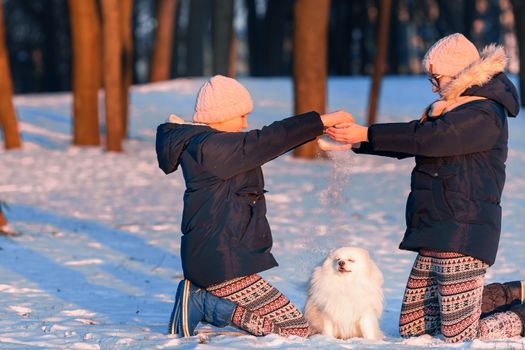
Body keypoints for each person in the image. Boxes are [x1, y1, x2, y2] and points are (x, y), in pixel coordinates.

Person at [322, 33, 524, 342]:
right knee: (415, 329)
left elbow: (431, 139)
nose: (432, 86)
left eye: (436, 77)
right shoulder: (452, 110)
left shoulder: (484, 113)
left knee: (458, 334)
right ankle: (512, 291)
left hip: (463, 229)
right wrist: (357, 141)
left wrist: (366, 132)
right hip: (435, 225)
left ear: (459, 72)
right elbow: (419, 139)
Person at [156, 75, 353, 337]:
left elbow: (263, 143)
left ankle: (205, 300)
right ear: (220, 114)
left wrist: (316, 129)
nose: (246, 124)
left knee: (296, 327)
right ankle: (205, 304)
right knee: (296, 330)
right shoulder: (210, 148)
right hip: (219, 265)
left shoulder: (210, 145)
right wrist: (322, 121)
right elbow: (265, 140)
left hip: (223, 261)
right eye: (241, 117)